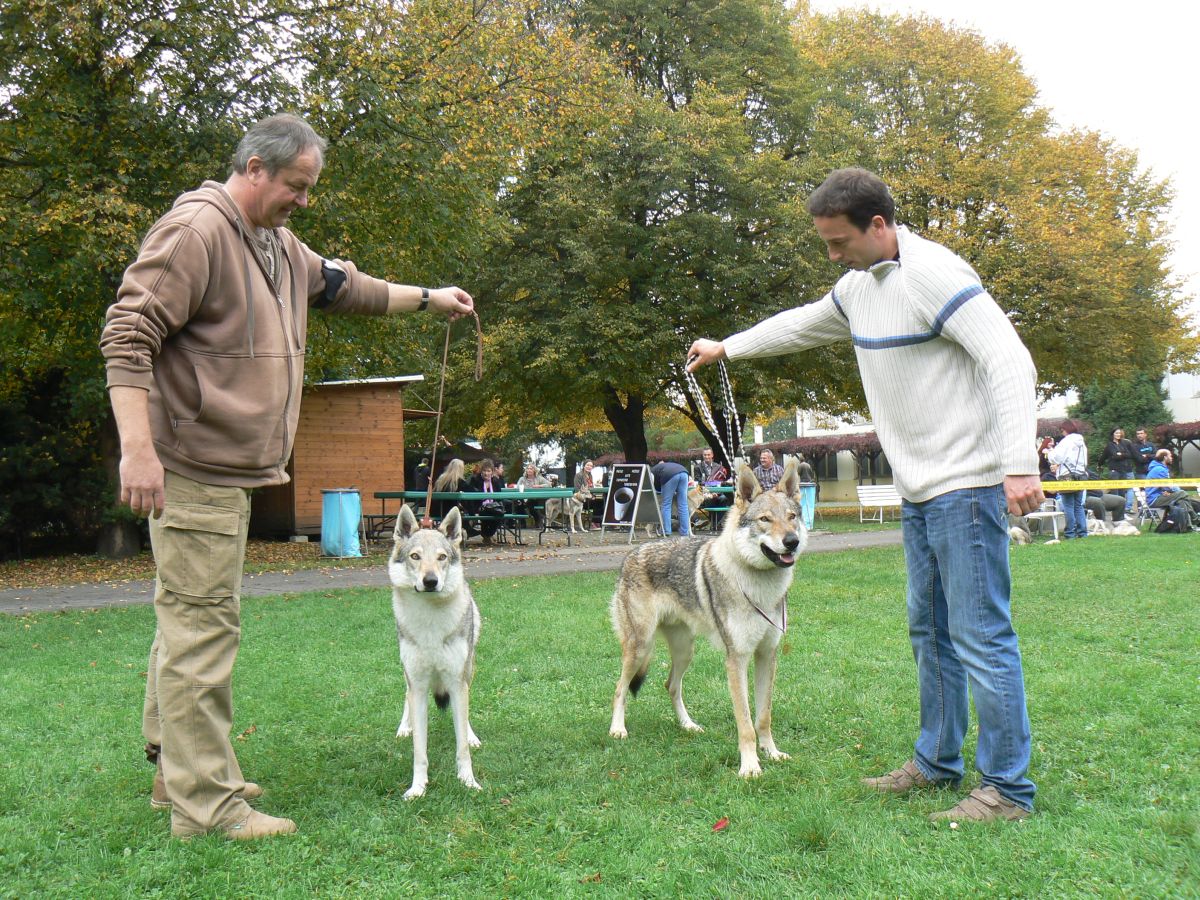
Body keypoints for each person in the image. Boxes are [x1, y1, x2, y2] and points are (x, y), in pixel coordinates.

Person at [100, 114, 474, 841]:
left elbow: (347, 287)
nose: (303, 199)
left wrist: (430, 297)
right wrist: (135, 448)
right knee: (202, 628)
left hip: (230, 475)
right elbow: (127, 334)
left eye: (310, 189)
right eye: (296, 186)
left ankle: (175, 773)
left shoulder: (275, 244)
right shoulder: (197, 231)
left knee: (188, 617)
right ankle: (206, 806)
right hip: (191, 470)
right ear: (254, 168)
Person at [687, 167, 1041, 823]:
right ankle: (937, 761)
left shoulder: (935, 275)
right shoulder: (858, 288)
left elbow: (1008, 360)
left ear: (878, 226)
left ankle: (1008, 790)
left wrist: (1019, 462)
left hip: (967, 485)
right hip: (921, 491)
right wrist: (727, 348)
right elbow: (801, 324)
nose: (832, 256)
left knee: (981, 635)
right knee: (929, 631)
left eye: (837, 241)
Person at [1048, 421, 1089, 540]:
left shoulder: (1066, 441)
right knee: (1078, 505)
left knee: (1068, 506)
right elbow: (1085, 461)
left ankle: (1070, 533)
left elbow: (1057, 457)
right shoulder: (1081, 443)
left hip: (1066, 476)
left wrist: (1050, 452)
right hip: (1081, 475)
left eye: (1062, 430)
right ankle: (1082, 533)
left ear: (1065, 430)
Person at [1096, 427, 1137, 516]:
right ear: (1113, 434)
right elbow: (1113, 456)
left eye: (1119, 433)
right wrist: (1121, 455)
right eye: (1116, 433)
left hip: (1123, 470)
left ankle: (1122, 514)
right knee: (1115, 493)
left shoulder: (1123, 443)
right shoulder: (1110, 445)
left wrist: (1120, 454)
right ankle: (1115, 515)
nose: (1118, 434)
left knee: (1122, 493)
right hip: (1114, 471)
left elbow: (1129, 455)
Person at [1146, 449, 1200, 514]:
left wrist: (1167, 491)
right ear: (1165, 457)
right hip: (1154, 500)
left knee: (1181, 501)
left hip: (1159, 496)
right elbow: (1169, 487)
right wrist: (1176, 490)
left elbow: (1165, 487)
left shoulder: (1159, 468)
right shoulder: (1160, 470)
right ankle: (1194, 517)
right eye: (1170, 456)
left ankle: (1190, 521)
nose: (1172, 458)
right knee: (1181, 493)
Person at [466, 459, 504, 545]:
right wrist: (472, 513)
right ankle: (487, 536)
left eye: (488, 471)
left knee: (500, 513)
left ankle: (487, 535)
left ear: (492, 471)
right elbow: (470, 497)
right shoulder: (475, 480)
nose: (486, 473)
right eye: (484, 471)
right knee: (486, 512)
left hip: (493, 507)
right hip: (478, 507)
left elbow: (499, 497)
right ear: (481, 471)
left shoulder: (495, 481)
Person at [650, 460, 691, 536]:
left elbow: (653, 487)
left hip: (669, 475)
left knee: (666, 504)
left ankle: (666, 531)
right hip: (684, 472)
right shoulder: (666, 466)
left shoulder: (651, 471)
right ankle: (685, 531)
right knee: (683, 504)